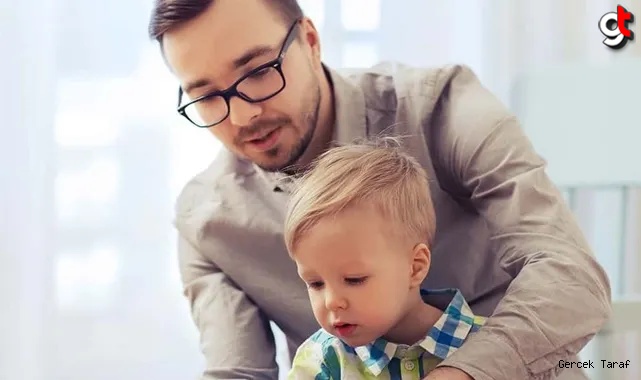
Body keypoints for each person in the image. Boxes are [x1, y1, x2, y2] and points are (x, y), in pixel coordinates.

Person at [147, 0, 612, 379]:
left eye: (257, 72)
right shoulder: (207, 222)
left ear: (310, 41)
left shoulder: (441, 107)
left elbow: (572, 277)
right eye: (207, 96)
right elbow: (238, 372)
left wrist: (463, 374)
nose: (243, 116)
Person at [283, 139, 487, 379]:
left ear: (415, 266)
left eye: (354, 279)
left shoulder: (488, 345)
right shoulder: (322, 359)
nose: (331, 302)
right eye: (316, 284)